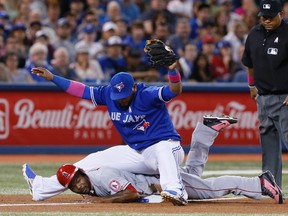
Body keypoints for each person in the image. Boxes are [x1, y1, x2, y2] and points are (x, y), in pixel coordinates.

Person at [27, 56, 188, 205]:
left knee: (162, 148)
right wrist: (54, 78)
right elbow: (81, 90)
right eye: (118, 95)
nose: (121, 99)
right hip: (139, 152)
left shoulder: (147, 94)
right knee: (94, 159)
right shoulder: (108, 94)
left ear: (133, 87)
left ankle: (175, 190)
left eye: (124, 95)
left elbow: (174, 90)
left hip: (168, 148)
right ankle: (42, 187)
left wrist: (173, 71)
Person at [25, 116, 284, 204]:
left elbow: (130, 193)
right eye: (72, 185)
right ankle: (205, 131)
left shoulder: (99, 173)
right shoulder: (90, 173)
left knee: (209, 189)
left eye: (77, 180)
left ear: (82, 172)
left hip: (155, 177)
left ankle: (258, 183)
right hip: (153, 171)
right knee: (191, 174)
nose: (78, 186)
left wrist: (105, 202)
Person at [241, 0, 288, 188]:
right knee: (268, 142)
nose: (266, 20)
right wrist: (251, 86)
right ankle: (271, 186)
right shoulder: (254, 34)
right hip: (263, 97)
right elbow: (249, 63)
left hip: (284, 98)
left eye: (270, 17)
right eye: (264, 17)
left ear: (281, 15)